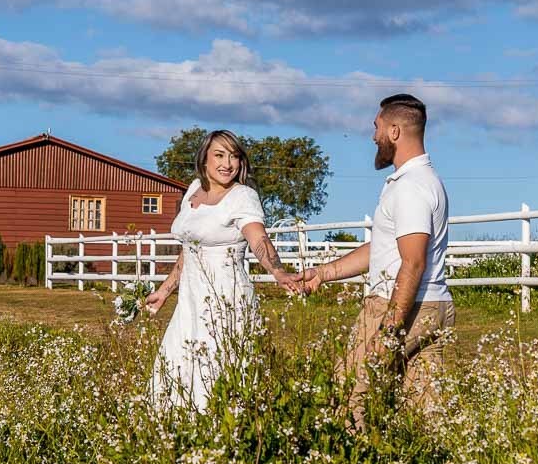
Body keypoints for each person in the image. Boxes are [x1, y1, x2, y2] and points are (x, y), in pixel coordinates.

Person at [301, 94, 454, 432]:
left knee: (347, 399)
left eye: (377, 127)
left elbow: (412, 262)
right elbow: (384, 248)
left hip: (400, 303)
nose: (373, 137)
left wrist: (387, 330)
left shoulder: (411, 187)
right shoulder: (426, 181)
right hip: (435, 305)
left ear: (395, 131)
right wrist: (324, 273)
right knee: (423, 416)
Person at [144, 130, 303, 412]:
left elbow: (258, 239)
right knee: (178, 368)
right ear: (204, 158)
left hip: (224, 300)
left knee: (217, 373)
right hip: (190, 302)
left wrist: (278, 271)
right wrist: (165, 291)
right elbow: (189, 250)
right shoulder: (194, 189)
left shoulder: (242, 196)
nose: (227, 163)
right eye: (219, 155)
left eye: (234, 156)